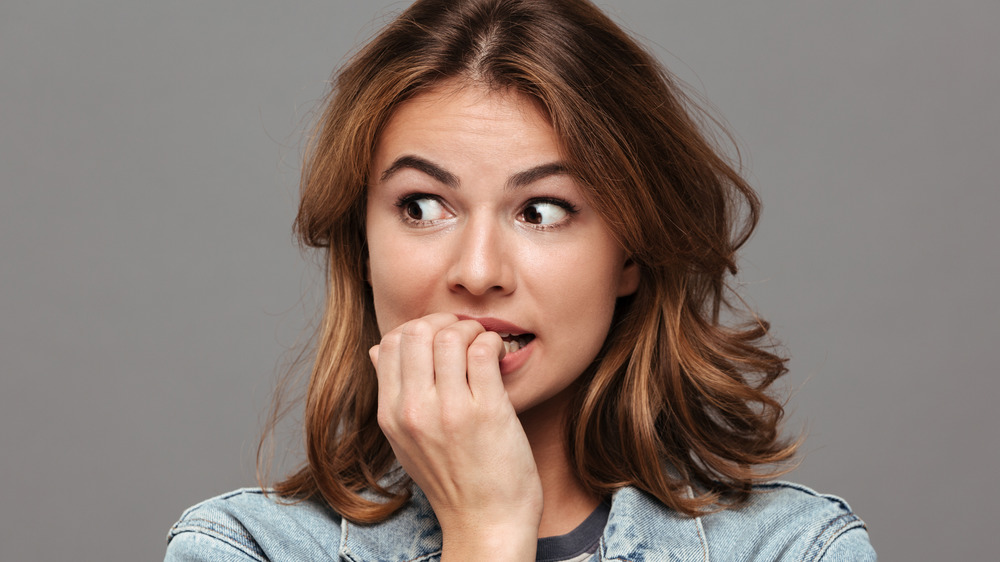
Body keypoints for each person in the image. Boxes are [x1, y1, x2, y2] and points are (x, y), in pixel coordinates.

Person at [166, 0, 876, 560]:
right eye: (422, 206)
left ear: (630, 253)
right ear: (362, 244)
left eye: (541, 211)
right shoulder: (243, 549)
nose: (477, 272)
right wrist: (486, 532)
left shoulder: (794, 550)